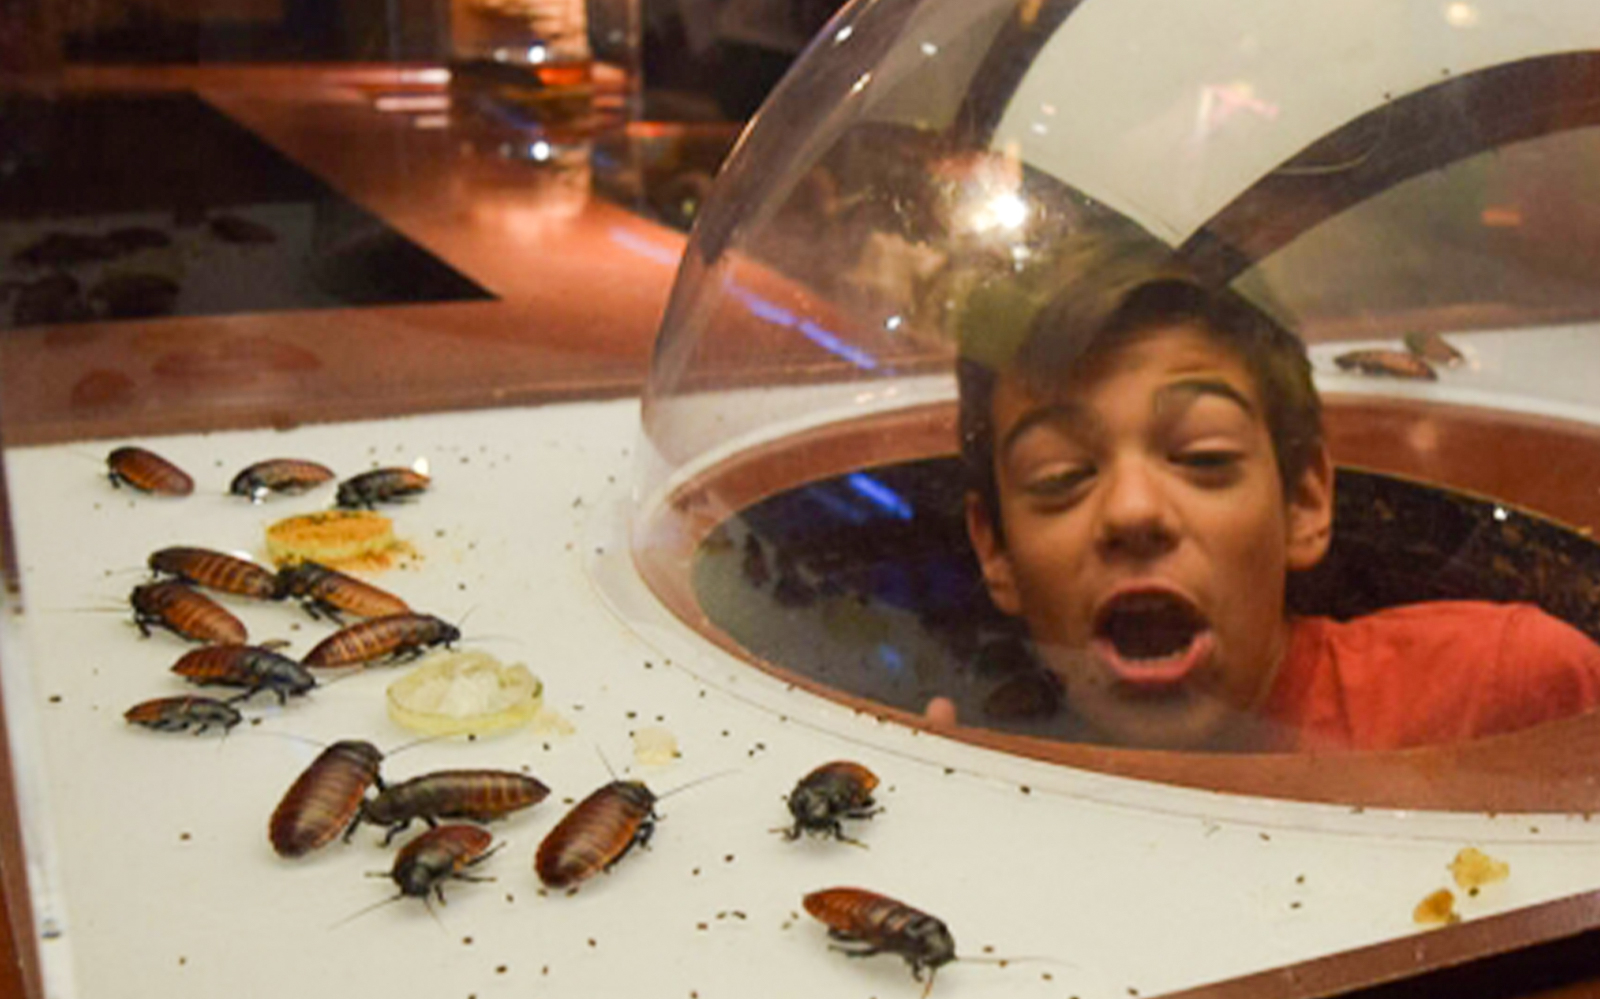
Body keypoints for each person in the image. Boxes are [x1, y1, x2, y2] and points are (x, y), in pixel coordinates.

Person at [943, 234, 1600, 752]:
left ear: (1304, 501)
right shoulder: (978, 761)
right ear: (995, 548)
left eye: (1204, 456)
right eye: (1061, 476)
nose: (1133, 509)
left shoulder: (1504, 691)